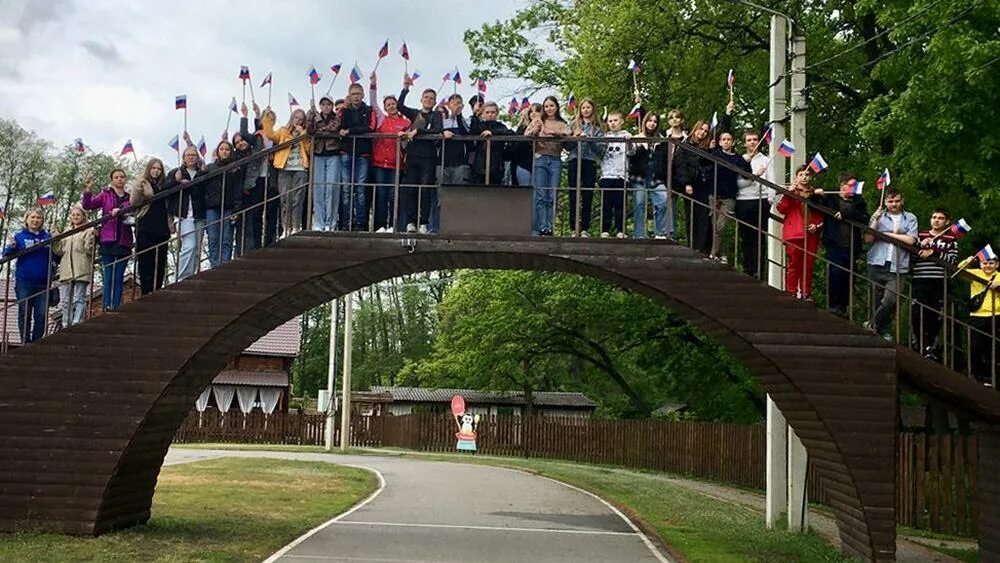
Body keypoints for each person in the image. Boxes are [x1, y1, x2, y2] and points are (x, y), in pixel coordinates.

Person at [864, 188, 919, 341]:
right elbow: (868, 238)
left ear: (902, 201)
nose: (894, 204)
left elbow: (911, 240)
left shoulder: (910, 218)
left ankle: (872, 324)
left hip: (898, 264)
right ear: (885, 202)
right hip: (877, 261)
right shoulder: (879, 216)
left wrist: (886, 235)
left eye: (897, 201)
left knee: (890, 300)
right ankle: (884, 331)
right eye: (890, 201)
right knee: (876, 300)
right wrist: (874, 220)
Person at [910, 208, 959, 359]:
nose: (936, 220)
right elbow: (911, 256)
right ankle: (918, 342)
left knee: (935, 314)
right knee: (917, 312)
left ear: (947, 222)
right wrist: (920, 246)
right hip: (921, 279)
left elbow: (953, 261)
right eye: (934, 217)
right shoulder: (920, 235)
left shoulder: (951, 240)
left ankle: (930, 346)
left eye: (941, 218)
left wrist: (935, 252)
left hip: (939, 281)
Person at [398, 77, 443, 233]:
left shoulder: (436, 115)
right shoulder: (415, 113)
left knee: (425, 190)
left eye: (431, 98)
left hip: (428, 157)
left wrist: (418, 131)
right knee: (411, 188)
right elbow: (400, 106)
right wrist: (405, 89)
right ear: (421, 99)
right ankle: (411, 221)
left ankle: (424, 222)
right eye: (426, 97)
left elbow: (437, 130)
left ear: (435, 101)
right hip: (413, 155)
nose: (429, 100)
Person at [81, 168, 131, 310]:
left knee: (119, 276)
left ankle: (116, 304)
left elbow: (133, 207)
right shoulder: (105, 195)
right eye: (116, 177)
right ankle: (106, 304)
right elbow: (88, 205)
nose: (120, 179)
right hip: (108, 239)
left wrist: (120, 209)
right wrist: (88, 190)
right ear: (112, 180)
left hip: (124, 240)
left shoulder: (129, 197)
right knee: (108, 276)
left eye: (122, 176)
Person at [820, 173, 869, 316]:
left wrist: (846, 215)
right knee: (835, 273)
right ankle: (833, 304)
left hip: (852, 245)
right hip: (834, 243)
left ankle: (844, 306)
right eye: (852, 185)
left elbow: (864, 218)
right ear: (843, 186)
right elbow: (814, 203)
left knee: (849, 276)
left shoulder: (859, 202)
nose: (854, 189)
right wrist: (817, 194)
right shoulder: (830, 199)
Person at [368, 72, 411, 233]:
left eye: (393, 103)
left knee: (394, 196)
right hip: (380, 163)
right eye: (388, 104)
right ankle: (380, 226)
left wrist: (405, 87)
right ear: (385, 107)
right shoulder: (381, 119)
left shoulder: (406, 122)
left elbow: (409, 142)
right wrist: (373, 84)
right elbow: (373, 103)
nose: (391, 106)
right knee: (381, 195)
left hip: (397, 164)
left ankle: (393, 225)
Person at [3, 209, 54, 342]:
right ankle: (25, 341)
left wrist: (57, 240)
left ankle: (36, 341)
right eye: (32, 217)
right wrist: (11, 246)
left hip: (43, 282)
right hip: (24, 281)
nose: (35, 220)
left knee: (42, 314)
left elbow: (57, 257)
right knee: (24, 312)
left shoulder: (47, 237)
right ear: (27, 220)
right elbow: (6, 254)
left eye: (38, 218)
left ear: (42, 220)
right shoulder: (19, 236)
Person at [775, 166, 824, 300]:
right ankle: (790, 291)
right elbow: (781, 209)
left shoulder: (814, 193)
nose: (804, 177)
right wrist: (788, 194)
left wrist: (817, 225)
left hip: (811, 234)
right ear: (796, 177)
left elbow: (821, 214)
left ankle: (805, 293)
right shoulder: (791, 191)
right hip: (794, 232)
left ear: (810, 177)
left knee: (808, 265)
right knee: (794, 264)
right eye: (801, 174)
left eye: (807, 174)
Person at [525, 96, 571, 236]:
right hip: (540, 157)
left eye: (551, 105)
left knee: (552, 194)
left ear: (556, 107)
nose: (549, 109)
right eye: (546, 106)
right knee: (540, 194)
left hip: (556, 159)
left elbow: (568, 134)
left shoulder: (562, 123)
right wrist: (536, 131)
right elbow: (527, 134)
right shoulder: (539, 121)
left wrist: (556, 134)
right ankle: (540, 227)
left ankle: (550, 227)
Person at [263, 107, 311, 235]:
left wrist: (303, 134)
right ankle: (286, 228)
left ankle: (296, 226)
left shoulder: (305, 133)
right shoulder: (283, 131)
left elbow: (308, 149)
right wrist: (267, 120)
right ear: (292, 118)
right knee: (285, 199)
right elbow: (270, 135)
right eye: (296, 118)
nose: (298, 121)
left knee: (298, 199)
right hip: (284, 169)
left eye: (301, 119)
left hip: (300, 169)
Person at [129, 158, 172, 294]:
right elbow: (134, 202)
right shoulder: (143, 183)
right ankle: (146, 290)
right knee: (145, 261)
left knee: (160, 262)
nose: (156, 171)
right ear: (149, 169)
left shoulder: (164, 185)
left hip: (162, 228)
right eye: (153, 168)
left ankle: (157, 289)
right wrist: (138, 186)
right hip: (146, 226)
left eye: (159, 169)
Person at [735, 128, 772, 278]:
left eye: (755, 140)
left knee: (759, 238)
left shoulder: (766, 160)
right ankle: (748, 269)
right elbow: (737, 183)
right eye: (749, 140)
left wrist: (770, 199)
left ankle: (758, 270)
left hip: (761, 201)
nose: (752, 143)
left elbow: (772, 181)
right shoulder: (740, 160)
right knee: (746, 237)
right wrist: (753, 177)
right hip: (743, 201)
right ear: (744, 143)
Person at [165, 144, 205, 281]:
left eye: (193, 155)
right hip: (182, 215)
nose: (191, 157)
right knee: (189, 246)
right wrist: (177, 181)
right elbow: (165, 188)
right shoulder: (176, 172)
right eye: (188, 155)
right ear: (183, 158)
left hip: (199, 214)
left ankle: (192, 276)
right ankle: (181, 277)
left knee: (197, 249)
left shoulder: (202, 172)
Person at [630, 109, 670, 239]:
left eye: (655, 121)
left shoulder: (662, 141)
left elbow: (665, 160)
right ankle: (639, 234)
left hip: (656, 177)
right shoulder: (637, 138)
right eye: (650, 121)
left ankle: (660, 232)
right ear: (645, 122)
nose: (652, 124)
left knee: (663, 201)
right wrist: (632, 144)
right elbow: (631, 154)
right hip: (639, 176)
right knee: (639, 204)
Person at [52, 205, 95, 327]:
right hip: (66, 269)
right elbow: (59, 250)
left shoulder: (88, 230)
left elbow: (89, 250)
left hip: (81, 268)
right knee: (66, 300)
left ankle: (77, 321)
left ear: (83, 216)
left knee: (80, 297)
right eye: (73, 215)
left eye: (78, 215)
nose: (75, 217)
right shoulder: (67, 231)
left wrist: (91, 239)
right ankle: (66, 322)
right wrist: (55, 239)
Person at [566, 98, 603, 236]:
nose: (586, 110)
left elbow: (600, 150)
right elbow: (566, 146)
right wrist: (574, 139)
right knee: (573, 194)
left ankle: (585, 228)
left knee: (588, 194)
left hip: (589, 161)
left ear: (592, 109)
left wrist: (589, 139)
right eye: (583, 108)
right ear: (580, 110)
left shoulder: (598, 129)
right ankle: (573, 228)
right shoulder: (573, 125)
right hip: (574, 160)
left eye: (588, 107)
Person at [339, 82, 373, 231]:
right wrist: (346, 131)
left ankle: (360, 223)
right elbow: (340, 127)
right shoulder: (344, 111)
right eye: (353, 94)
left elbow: (368, 128)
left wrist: (350, 131)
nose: (356, 97)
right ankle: (346, 223)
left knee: (360, 190)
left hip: (363, 154)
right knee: (346, 189)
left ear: (363, 94)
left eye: (358, 94)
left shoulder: (368, 110)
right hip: (346, 152)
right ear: (349, 95)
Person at [306, 93, 342, 232]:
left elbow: (333, 128)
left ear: (332, 106)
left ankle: (331, 222)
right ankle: (319, 222)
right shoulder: (315, 117)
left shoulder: (337, 117)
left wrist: (318, 129)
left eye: (328, 104)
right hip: (318, 154)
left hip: (333, 154)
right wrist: (311, 114)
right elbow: (310, 130)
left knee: (331, 188)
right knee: (318, 188)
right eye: (323, 104)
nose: (326, 107)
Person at [202, 141, 242, 266]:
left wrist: (237, 208)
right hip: (212, 206)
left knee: (227, 238)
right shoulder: (210, 168)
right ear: (218, 151)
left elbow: (238, 189)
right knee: (213, 238)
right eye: (221, 149)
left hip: (229, 206)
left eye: (227, 149)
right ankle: (214, 264)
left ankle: (225, 263)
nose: (224, 151)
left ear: (231, 152)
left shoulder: (236, 168)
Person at [233, 104, 265, 254]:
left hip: (253, 187)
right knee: (241, 224)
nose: (241, 143)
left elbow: (258, 135)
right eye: (237, 143)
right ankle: (240, 252)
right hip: (239, 194)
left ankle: (254, 250)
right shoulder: (235, 158)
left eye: (242, 140)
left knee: (254, 219)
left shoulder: (255, 149)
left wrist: (252, 116)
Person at [598, 111, 633, 238]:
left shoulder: (627, 135)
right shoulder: (604, 136)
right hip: (606, 175)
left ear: (621, 121)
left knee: (620, 205)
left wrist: (629, 141)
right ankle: (605, 230)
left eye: (615, 120)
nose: (612, 123)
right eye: (610, 121)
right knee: (606, 205)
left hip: (621, 175)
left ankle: (620, 230)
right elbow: (599, 152)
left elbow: (632, 152)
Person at [966, 252, 999, 387]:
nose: (988, 266)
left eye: (991, 263)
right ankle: (979, 375)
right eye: (985, 263)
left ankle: (994, 376)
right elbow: (960, 269)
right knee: (976, 347)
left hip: (997, 314)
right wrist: (970, 259)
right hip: (978, 316)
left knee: (994, 347)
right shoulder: (975, 273)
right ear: (980, 264)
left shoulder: (999, 276)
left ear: (997, 265)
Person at [682, 120, 713, 254]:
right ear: (695, 129)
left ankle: (702, 248)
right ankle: (692, 246)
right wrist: (686, 183)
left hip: (704, 185)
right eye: (701, 129)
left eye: (706, 131)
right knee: (692, 216)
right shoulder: (686, 144)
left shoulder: (707, 148)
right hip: (691, 184)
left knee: (704, 217)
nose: (703, 133)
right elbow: (681, 165)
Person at [469, 101, 513, 186]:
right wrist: (475, 115)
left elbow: (510, 133)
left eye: (493, 112)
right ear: (483, 113)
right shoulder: (480, 125)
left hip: (496, 165)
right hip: (480, 166)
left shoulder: (500, 126)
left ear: (497, 113)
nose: (490, 114)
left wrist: (492, 132)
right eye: (487, 112)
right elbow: (473, 131)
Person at [511, 102, 543, 188]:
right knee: (524, 190)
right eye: (531, 111)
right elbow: (516, 146)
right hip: (523, 164)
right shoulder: (522, 127)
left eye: (537, 111)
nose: (534, 113)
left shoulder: (546, 126)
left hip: (541, 163)